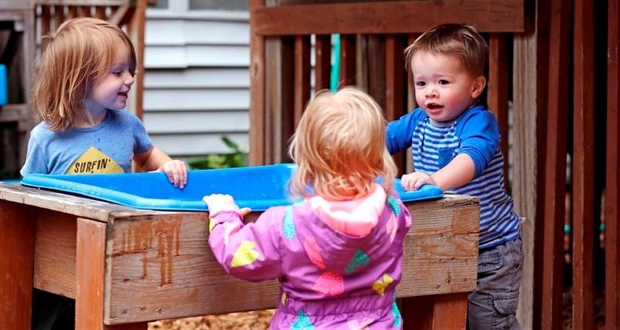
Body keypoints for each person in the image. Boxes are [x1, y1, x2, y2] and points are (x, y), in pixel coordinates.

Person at [21, 17, 188, 329]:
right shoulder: (47, 138)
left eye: (130, 71)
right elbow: (29, 195)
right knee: (50, 319)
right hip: (61, 249)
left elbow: (147, 154)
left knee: (115, 316)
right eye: (117, 72)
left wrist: (166, 164)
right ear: (78, 78)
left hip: (116, 244)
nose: (129, 79)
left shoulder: (127, 125)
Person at [203, 87, 412, 329]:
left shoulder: (287, 223)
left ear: (307, 159)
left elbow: (238, 256)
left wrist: (224, 215)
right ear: (378, 158)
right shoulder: (393, 211)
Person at [386, 23, 523, 329]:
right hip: (445, 242)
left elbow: (469, 161)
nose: (429, 92)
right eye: (421, 83)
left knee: (487, 323)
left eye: (443, 81)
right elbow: (381, 139)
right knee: (439, 319)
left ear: (475, 87)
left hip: (489, 250)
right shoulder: (418, 121)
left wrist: (435, 180)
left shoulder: (478, 123)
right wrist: (343, 151)